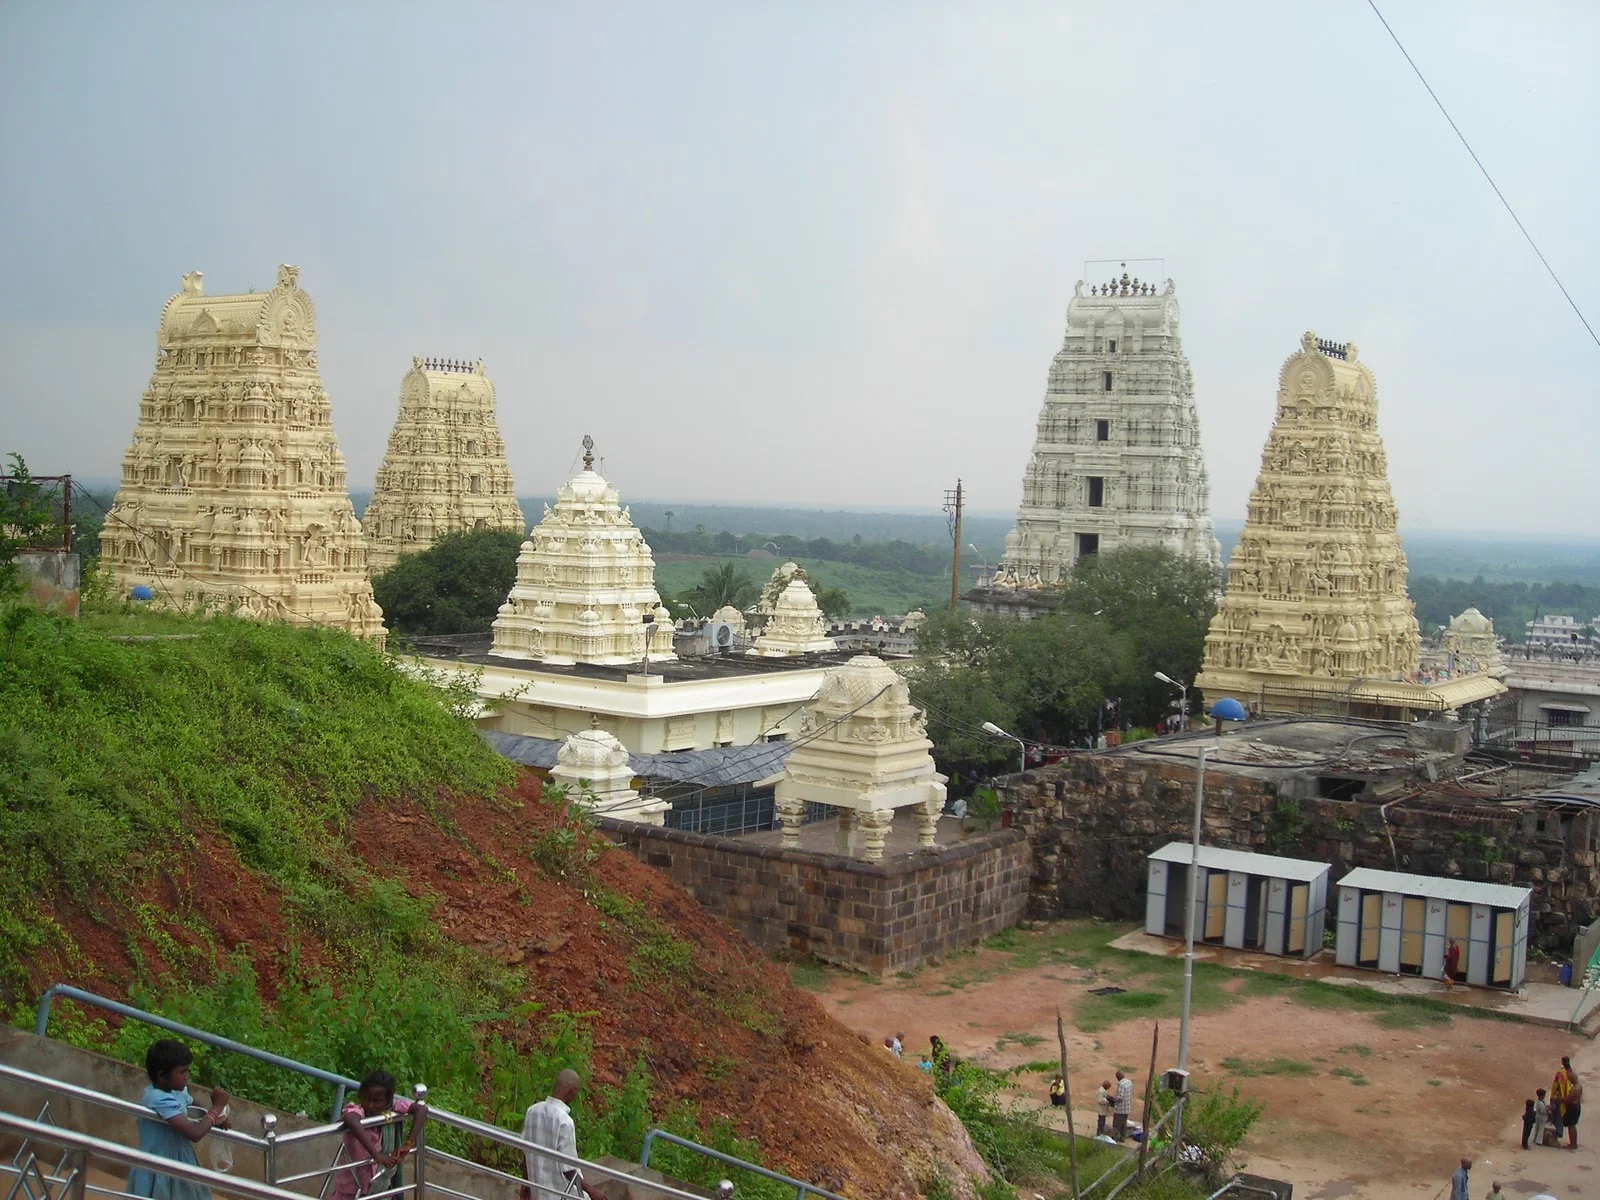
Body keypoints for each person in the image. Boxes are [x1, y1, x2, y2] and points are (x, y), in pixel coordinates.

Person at [127, 1039, 231, 1200]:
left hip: (181, 1160)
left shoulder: (175, 1091)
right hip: (160, 1165)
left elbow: (193, 1107)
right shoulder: (157, 1099)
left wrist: (214, 1117)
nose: (186, 1076)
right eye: (182, 1072)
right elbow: (194, 1133)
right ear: (162, 1075)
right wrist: (216, 1109)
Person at [333, 1069, 421, 1200]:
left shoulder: (390, 1110)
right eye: (365, 1098)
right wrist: (377, 1155)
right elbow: (351, 1119)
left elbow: (421, 1109)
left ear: (387, 1102)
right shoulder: (358, 1111)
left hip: (379, 1190)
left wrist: (408, 1144)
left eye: (377, 1101)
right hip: (350, 1191)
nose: (370, 1104)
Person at [521, 1070, 604, 1200]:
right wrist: (592, 1191)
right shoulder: (564, 1122)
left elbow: (526, 1153)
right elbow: (569, 1170)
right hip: (560, 1194)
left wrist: (526, 1184)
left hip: (539, 1193)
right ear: (572, 1091)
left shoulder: (532, 1111)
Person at [1551, 1060, 1574, 1145]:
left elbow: (1555, 1086)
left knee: (1557, 1117)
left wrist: (1552, 1098)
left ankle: (1556, 1135)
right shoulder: (1571, 1072)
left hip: (1560, 1099)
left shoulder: (1560, 1073)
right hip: (1569, 1098)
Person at [1563, 1060, 1583, 1151]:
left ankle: (1573, 1144)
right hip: (1576, 1106)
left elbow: (1568, 1100)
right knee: (1572, 1126)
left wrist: (1559, 1098)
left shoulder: (1575, 1089)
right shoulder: (1578, 1086)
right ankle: (1573, 1143)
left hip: (1573, 1107)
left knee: (1571, 1126)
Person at [1113, 1071, 1134, 1140]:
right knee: (1123, 1124)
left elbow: (1120, 1097)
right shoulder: (1129, 1082)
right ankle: (1122, 1138)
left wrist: (1113, 1099)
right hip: (1127, 1107)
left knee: (1117, 1125)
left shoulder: (1121, 1084)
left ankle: (1115, 1139)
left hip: (1120, 1109)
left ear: (1118, 1077)